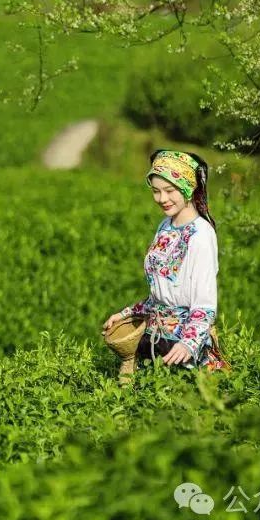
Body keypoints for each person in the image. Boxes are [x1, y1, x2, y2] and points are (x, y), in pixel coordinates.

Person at [101, 149, 231, 372]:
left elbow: (205, 304)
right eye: (156, 191)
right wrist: (126, 314)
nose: (161, 199)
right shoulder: (165, 226)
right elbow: (159, 296)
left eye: (169, 191)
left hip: (184, 350)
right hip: (155, 340)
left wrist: (188, 344)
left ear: (188, 188)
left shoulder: (200, 235)